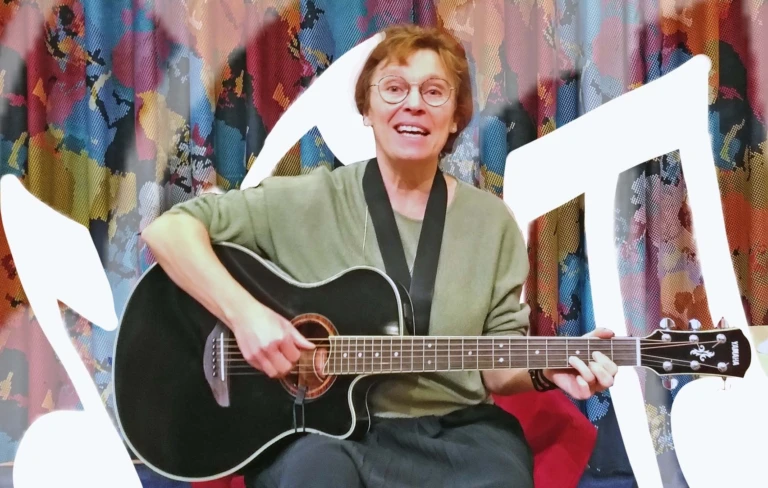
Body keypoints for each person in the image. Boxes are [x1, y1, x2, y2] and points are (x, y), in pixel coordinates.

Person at [141, 23, 618, 488]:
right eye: (394, 88)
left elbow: (496, 366)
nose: (413, 103)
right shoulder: (308, 199)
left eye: (434, 92)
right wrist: (245, 317)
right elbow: (168, 231)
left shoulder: (492, 224)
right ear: (366, 108)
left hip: (457, 432)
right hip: (325, 432)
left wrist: (547, 370)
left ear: (455, 117)